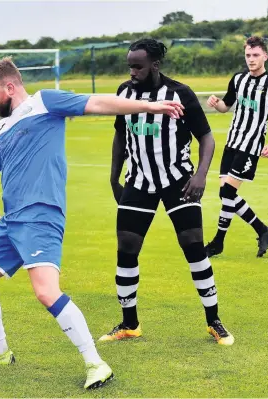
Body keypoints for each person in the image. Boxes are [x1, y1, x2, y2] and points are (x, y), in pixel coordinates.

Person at [0, 57, 184, 389]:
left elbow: (98, 102)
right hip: (11, 221)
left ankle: (96, 363)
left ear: (9, 87)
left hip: (41, 216)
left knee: (45, 292)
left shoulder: (45, 102)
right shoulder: (0, 128)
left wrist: (151, 107)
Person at [101, 39, 234, 347]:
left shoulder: (180, 94)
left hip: (178, 180)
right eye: (130, 66)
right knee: (127, 247)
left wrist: (200, 175)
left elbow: (207, 137)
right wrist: (113, 178)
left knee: (193, 245)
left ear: (155, 65)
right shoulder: (124, 92)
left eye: (138, 66)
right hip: (138, 182)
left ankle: (213, 320)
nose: (132, 72)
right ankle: (129, 323)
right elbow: (120, 136)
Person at [204, 36, 268, 258]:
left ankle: (220, 241)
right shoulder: (238, 79)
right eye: (248, 55)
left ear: (265, 56)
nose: (251, 59)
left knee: (227, 191)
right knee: (226, 195)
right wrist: (215, 103)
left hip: (250, 145)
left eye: (255, 55)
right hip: (232, 142)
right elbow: (225, 107)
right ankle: (262, 230)